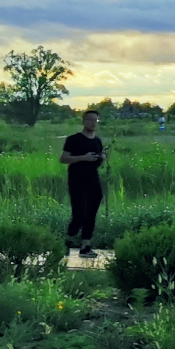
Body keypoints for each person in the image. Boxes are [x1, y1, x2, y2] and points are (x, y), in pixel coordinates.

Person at [59, 110, 109, 257]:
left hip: (93, 180)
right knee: (79, 214)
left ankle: (85, 247)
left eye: (96, 120)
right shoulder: (74, 139)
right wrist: (83, 158)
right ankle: (67, 240)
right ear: (84, 121)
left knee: (91, 214)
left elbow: (97, 162)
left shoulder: (97, 141)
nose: (93, 123)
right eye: (90, 120)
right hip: (76, 180)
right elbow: (63, 158)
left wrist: (103, 157)